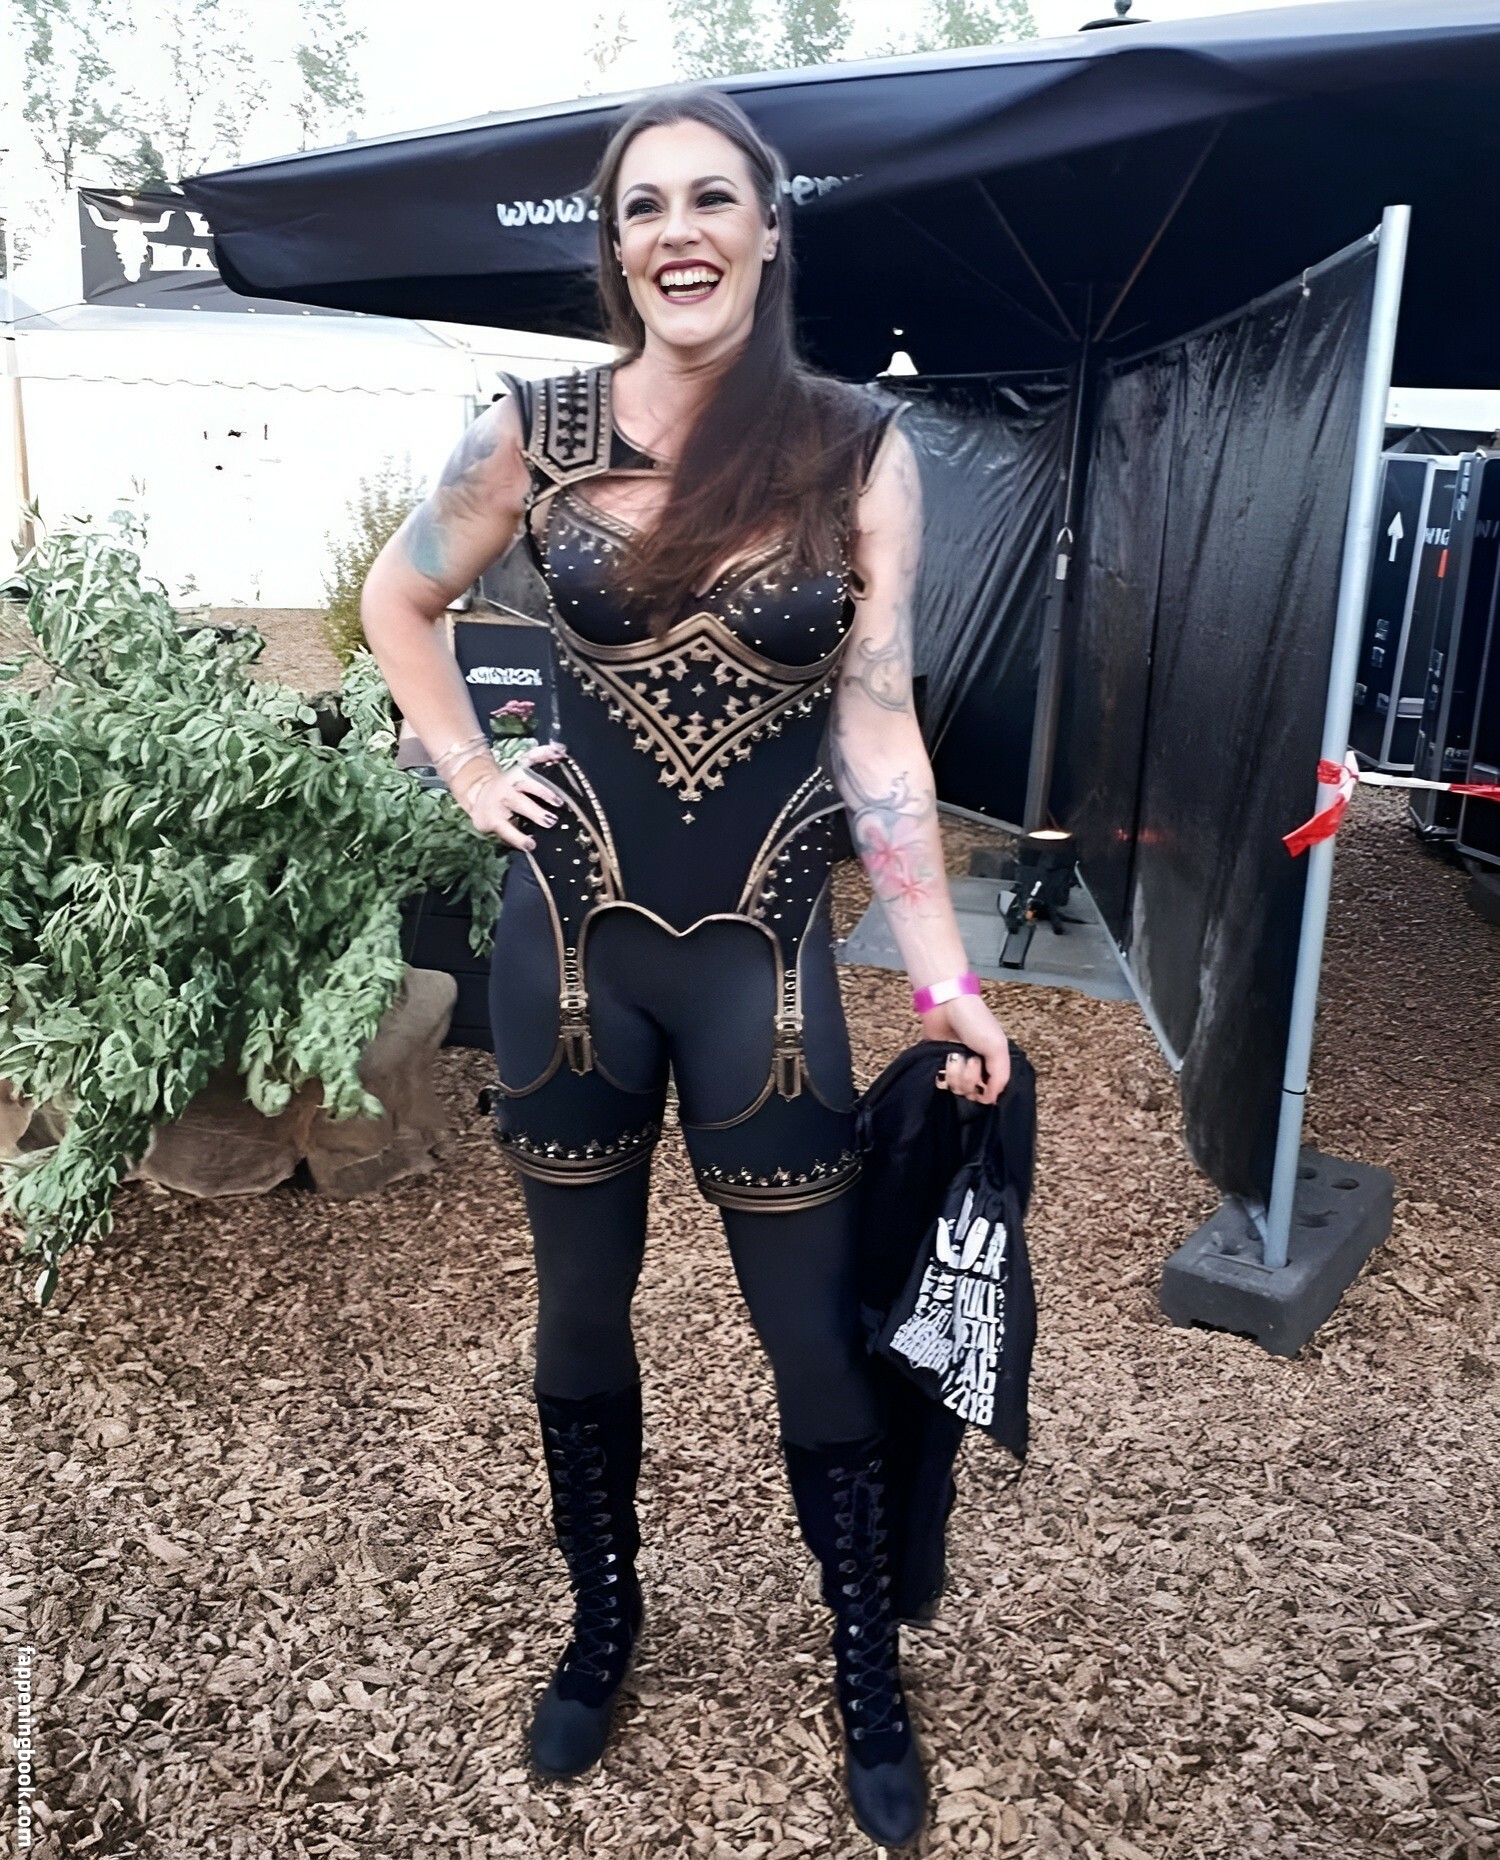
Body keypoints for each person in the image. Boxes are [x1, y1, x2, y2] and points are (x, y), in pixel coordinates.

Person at [360, 86, 1011, 1850]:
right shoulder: (537, 430)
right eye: (643, 207)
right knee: (580, 1309)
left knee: (812, 1333)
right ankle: (603, 1619)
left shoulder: (856, 449)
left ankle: (863, 1658)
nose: (678, 233)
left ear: (770, 228)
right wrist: (467, 768)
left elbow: (878, 726)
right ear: (616, 244)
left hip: (766, 975)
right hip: (567, 958)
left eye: (711, 199)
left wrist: (941, 976)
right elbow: (399, 602)